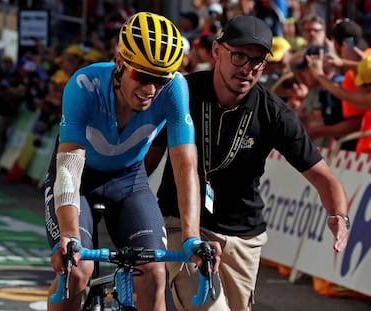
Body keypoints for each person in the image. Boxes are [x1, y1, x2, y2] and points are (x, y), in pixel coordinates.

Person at [145, 15, 349, 311]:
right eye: (238, 55)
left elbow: (324, 178)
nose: (247, 68)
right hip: (183, 224)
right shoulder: (182, 93)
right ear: (217, 51)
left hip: (244, 235)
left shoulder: (274, 113)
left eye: (257, 61)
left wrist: (338, 216)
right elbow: (148, 159)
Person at [43, 12, 221, 311]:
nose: (150, 89)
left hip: (129, 182)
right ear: (121, 62)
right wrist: (70, 236)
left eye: (160, 80)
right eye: (142, 76)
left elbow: (185, 165)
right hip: (80, 181)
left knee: (153, 272)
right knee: (77, 270)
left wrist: (191, 235)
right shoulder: (84, 85)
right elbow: (69, 167)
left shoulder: (176, 88)